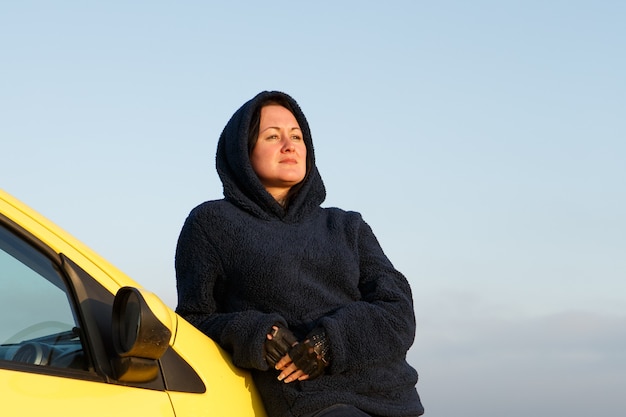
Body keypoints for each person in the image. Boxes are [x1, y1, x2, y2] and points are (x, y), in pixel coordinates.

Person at [175, 91, 424, 417]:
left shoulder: (347, 225)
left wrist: (328, 344)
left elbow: (398, 310)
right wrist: (255, 334)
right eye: (272, 136)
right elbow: (193, 323)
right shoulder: (212, 223)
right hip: (313, 402)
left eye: (296, 136)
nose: (289, 145)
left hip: (394, 398)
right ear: (242, 151)